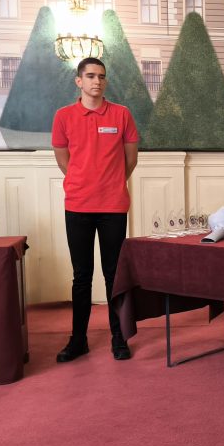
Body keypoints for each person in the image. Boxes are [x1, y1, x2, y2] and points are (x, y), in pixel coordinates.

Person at [52, 57, 139, 362]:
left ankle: (119, 337)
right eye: (90, 76)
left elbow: (131, 159)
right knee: (81, 276)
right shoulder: (63, 116)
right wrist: (83, 181)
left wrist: (109, 183)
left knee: (114, 275)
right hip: (78, 205)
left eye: (101, 76)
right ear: (79, 81)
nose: (97, 81)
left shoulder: (122, 114)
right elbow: (63, 159)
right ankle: (78, 340)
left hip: (113, 205)